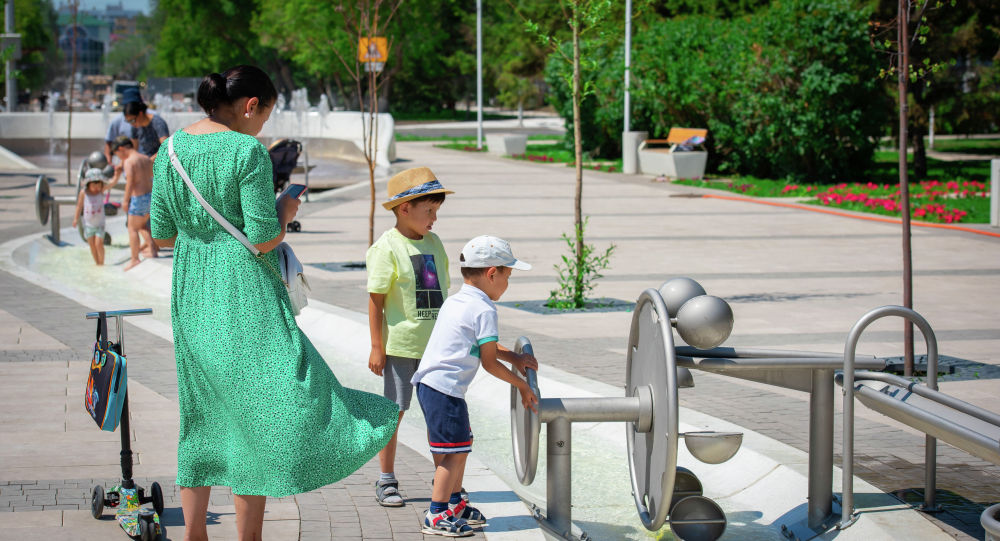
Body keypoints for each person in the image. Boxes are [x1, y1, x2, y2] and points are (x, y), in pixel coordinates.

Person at [150, 65, 398, 541]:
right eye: (265, 114)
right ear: (250, 106)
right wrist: (285, 208)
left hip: (192, 291)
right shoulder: (247, 151)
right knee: (267, 408)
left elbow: (161, 234)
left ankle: (195, 534)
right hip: (243, 292)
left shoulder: (170, 150)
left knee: (202, 415)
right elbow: (264, 238)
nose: (264, 124)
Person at [411, 235, 539, 537]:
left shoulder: (457, 300)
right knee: (454, 453)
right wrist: (522, 386)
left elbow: (483, 347)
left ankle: (454, 503)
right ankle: (436, 514)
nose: (508, 283)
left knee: (458, 447)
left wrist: (514, 357)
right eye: (508, 276)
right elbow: (489, 362)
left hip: (431, 385)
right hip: (445, 389)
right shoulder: (484, 309)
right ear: (492, 273)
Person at [366, 166, 453, 507]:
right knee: (394, 412)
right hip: (401, 348)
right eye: (429, 211)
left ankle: (444, 480)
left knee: (438, 413)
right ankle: (386, 479)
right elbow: (375, 301)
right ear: (405, 209)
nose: (434, 219)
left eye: (436, 211)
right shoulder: (386, 248)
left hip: (436, 349)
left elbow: (444, 293)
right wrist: (377, 346)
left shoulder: (435, 243)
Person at [110, 135, 156, 270]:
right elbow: (151, 175)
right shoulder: (145, 158)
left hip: (139, 198)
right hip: (150, 196)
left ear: (121, 149)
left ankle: (134, 259)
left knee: (132, 228)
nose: (119, 158)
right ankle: (152, 250)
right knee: (143, 225)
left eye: (117, 154)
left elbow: (130, 182)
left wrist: (125, 200)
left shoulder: (129, 161)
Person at [72, 169, 112, 265]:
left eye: (99, 186)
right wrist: (75, 219)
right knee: (92, 245)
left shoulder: (101, 191)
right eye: (94, 186)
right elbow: (79, 206)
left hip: (100, 224)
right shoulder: (84, 193)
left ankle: (102, 263)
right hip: (88, 224)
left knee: (98, 244)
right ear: (88, 184)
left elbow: (112, 184)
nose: (96, 188)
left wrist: (117, 174)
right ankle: (97, 263)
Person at [104, 88, 142, 165]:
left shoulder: (151, 119)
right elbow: (109, 142)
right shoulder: (117, 120)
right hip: (126, 162)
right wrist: (109, 162)